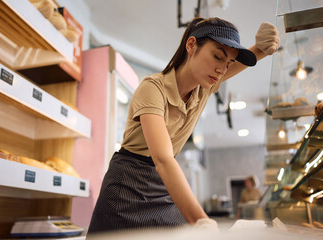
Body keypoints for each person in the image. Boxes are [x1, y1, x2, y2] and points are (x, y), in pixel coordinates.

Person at [86, 17, 279, 236]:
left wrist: (262, 49)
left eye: (228, 64)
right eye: (217, 56)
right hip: (127, 185)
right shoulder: (153, 88)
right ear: (191, 45)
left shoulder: (204, 89)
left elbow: (239, 62)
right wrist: (201, 220)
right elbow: (163, 159)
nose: (221, 70)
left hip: (160, 185)